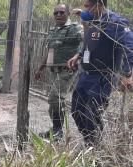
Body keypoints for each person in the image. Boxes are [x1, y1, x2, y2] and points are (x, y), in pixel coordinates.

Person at [67, 0, 133, 146]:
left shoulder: (115, 23)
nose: (85, 8)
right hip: (86, 75)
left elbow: (129, 46)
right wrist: (78, 55)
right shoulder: (95, 20)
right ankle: (89, 142)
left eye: (88, 6)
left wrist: (128, 74)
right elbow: (90, 43)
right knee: (76, 110)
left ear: (99, 5)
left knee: (92, 113)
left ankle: (96, 147)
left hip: (103, 76)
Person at [34, 4, 83, 140]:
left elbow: (84, 42)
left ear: (67, 13)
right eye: (56, 13)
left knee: (55, 97)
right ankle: (56, 129)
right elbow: (50, 51)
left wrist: (78, 56)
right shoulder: (53, 30)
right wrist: (40, 68)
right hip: (54, 69)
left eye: (62, 12)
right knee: (54, 100)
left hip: (68, 69)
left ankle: (58, 131)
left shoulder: (75, 28)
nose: (58, 15)